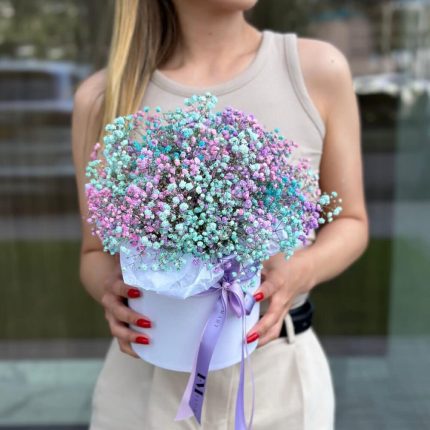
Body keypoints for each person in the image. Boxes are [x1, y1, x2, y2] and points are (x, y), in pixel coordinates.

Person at [72, 0, 368, 429]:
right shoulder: (105, 96)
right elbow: (94, 252)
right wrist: (113, 292)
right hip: (145, 381)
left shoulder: (316, 69)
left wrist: (296, 274)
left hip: (277, 382)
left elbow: (351, 222)